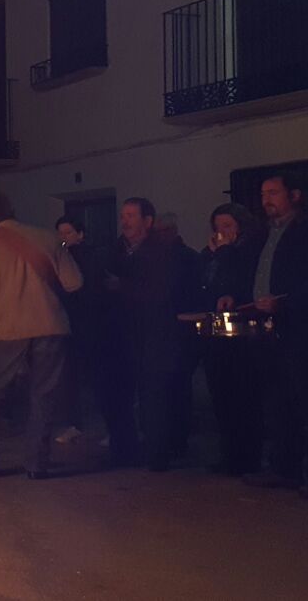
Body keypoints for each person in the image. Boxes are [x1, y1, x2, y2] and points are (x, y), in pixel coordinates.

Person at [0, 193, 82, 478]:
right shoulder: (49, 239)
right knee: (43, 394)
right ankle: (36, 464)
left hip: (8, 330)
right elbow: (74, 283)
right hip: (51, 326)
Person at [242, 174, 308, 500]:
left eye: (273, 192)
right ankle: (284, 467)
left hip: (303, 329)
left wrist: (284, 302)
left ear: (294, 195)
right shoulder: (265, 234)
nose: (267, 199)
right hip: (270, 330)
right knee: (277, 401)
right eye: (263, 193)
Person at [109, 197, 189, 471]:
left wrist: (123, 287)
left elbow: (161, 294)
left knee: (154, 395)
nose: (125, 221)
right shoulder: (118, 251)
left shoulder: (161, 253)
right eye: (123, 215)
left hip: (154, 334)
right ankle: (127, 449)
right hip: (125, 335)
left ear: (148, 221)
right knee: (124, 394)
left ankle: (158, 453)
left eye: (131, 215)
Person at [199, 203, 265, 476]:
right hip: (216, 331)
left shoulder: (247, 251)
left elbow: (241, 281)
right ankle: (229, 453)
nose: (222, 233)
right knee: (221, 394)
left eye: (228, 226)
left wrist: (225, 252)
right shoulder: (211, 254)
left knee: (243, 395)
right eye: (218, 227)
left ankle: (247, 456)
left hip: (243, 334)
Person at [54, 216, 109, 445]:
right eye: (61, 233)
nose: (64, 237)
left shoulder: (91, 257)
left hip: (90, 325)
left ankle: (111, 426)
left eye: (68, 232)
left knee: (98, 378)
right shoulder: (60, 258)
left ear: (80, 234)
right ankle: (75, 423)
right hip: (69, 325)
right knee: (70, 379)